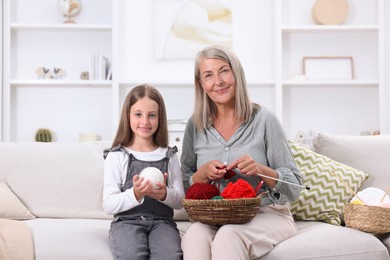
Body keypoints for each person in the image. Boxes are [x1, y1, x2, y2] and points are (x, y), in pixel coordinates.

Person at [180, 45, 302, 260]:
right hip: (215, 215)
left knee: (229, 235)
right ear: (201, 84)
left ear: (236, 74)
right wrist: (202, 175)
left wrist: (261, 170)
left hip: (266, 214)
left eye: (224, 71)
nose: (218, 81)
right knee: (194, 235)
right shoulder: (195, 125)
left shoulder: (265, 120)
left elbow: (294, 187)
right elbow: (184, 185)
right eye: (209, 75)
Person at [102, 84, 184, 260]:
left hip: (162, 223)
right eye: (138, 114)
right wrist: (135, 194)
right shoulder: (117, 156)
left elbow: (180, 201)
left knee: (170, 256)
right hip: (126, 224)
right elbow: (109, 204)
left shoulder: (169, 155)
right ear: (128, 116)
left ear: (160, 118)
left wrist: (164, 194)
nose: (145, 122)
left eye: (152, 115)